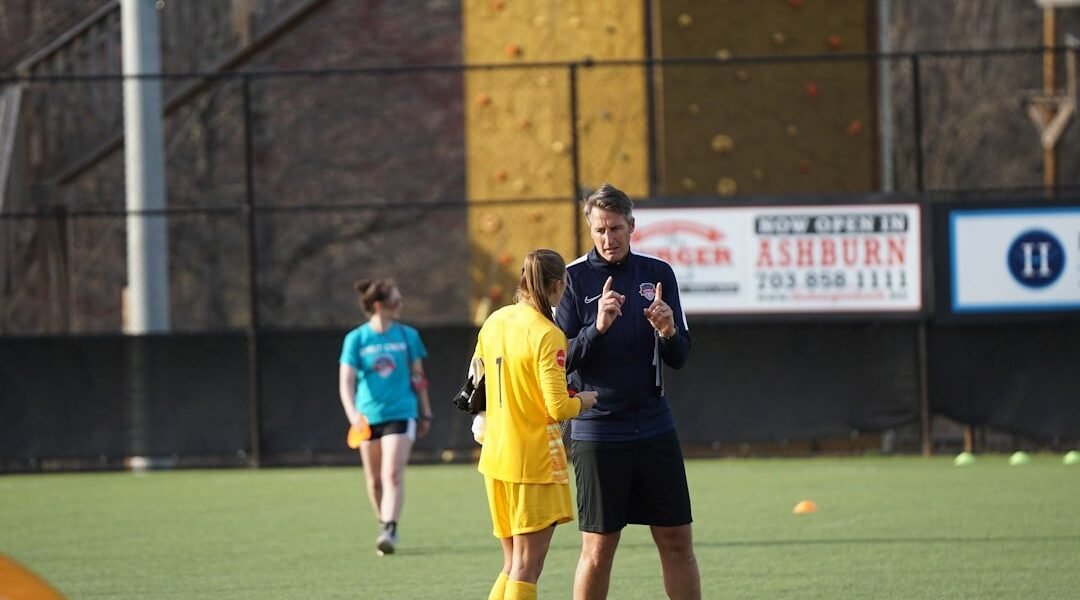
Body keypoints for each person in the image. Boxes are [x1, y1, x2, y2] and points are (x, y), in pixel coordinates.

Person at [556, 183, 701, 600]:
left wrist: (669, 330)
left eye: (616, 228)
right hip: (598, 431)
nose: (608, 238)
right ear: (590, 229)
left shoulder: (658, 275)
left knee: (676, 538)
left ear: (632, 226)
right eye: (600, 230)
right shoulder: (572, 278)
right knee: (599, 548)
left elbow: (680, 356)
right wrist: (596, 328)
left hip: (653, 422)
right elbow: (561, 359)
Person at [472, 249, 599, 600]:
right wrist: (584, 401)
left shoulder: (495, 321)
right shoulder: (547, 333)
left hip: (496, 455)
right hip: (534, 460)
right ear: (558, 285)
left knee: (512, 563)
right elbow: (557, 407)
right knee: (528, 567)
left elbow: (476, 383)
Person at [338, 278, 433, 556]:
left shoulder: (408, 336)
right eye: (395, 301)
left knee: (391, 473)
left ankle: (389, 527)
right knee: (374, 480)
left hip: (401, 412)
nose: (400, 305)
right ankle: (384, 523)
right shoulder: (356, 339)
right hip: (367, 418)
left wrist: (424, 410)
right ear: (379, 305)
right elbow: (346, 382)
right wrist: (353, 415)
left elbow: (418, 376)